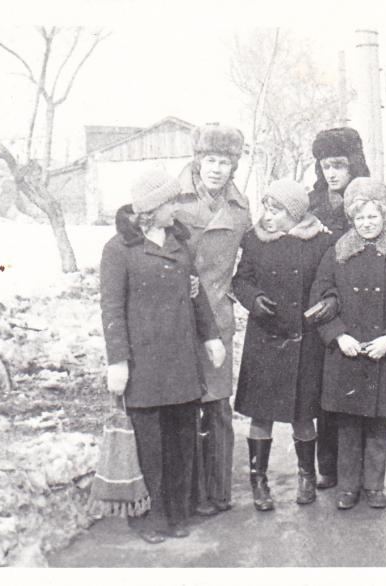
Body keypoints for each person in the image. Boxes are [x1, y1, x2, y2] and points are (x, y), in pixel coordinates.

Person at [100, 167, 226, 543]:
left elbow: (196, 293)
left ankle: (176, 513)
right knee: (150, 446)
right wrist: (117, 360)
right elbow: (111, 308)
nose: (177, 208)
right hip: (145, 365)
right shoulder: (118, 250)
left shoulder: (178, 242)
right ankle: (149, 519)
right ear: (153, 208)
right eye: (172, 202)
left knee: (182, 440)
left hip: (181, 360)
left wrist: (211, 337)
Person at [307, 126, 386, 491]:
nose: (332, 173)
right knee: (328, 396)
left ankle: (368, 478)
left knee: (369, 404)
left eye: (339, 165)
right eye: (325, 166)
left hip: (374, 316)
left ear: (354, 164)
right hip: (327, 313)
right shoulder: (314, 205)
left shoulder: (384, 205)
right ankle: (331, 468)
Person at [232, 179, 336, 511]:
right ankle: (258, 480)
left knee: (303, 415)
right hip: (265, 338)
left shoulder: (322, 241)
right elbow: (241, 279)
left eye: (276, 210)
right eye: (266, 208)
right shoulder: (255, 240)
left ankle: (307, 476)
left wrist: (330, 301)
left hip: (304, 341)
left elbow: (331, 282)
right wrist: (253, 299)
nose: (268, 216)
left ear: (295, 213)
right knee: (260, 416)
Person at [173, 124, 251, 516]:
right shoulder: (173, 200)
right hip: (178, 317)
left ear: (234, 166)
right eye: (211, 160)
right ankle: (188, 493)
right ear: (198, 161)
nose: (217, 169)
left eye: (225, 162)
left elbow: (257, 249)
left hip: (217, 316)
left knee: (218, 407)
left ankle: (219, 492)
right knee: (183, 406)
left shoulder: (240, 207)